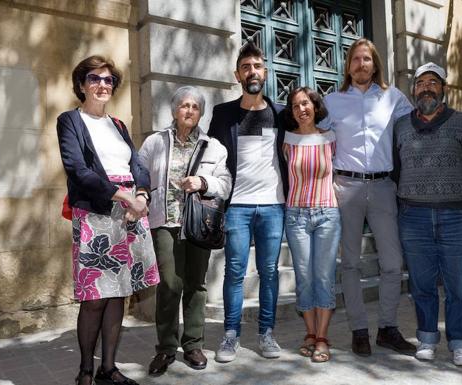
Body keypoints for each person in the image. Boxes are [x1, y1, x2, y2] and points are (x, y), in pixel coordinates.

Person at [56, 55, 159, 385]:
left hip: (130, 215)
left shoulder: (118, 125)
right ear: (81, 84)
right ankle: (86, 370)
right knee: (95, 297)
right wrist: (123, 195)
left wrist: (141, 195)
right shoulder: (70, 121)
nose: (102, 85)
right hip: (96, 214)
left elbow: (138, 166)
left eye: (108, 80)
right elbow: (78, 170)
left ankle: (108, 369)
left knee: (118, 294)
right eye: (94, 78)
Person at [319, 38, 416, 357]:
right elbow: (310, 133)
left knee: (392, 262)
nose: (361, 64)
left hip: (384, 187)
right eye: (356, 59)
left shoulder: (394, 98)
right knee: (350, 263)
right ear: (348, 66)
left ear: (375, 64)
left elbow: (419, 126)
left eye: (367, 59)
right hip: (345, 188)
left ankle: (387, 328)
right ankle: (358, 330)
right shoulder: (332, 101)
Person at [392, 62, 462, 366]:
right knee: (421, 285)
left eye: (433, 82)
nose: (426, 87)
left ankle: (460, 342)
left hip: (457, 218)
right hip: (414, 218)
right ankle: (426, 338)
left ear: (443, 89)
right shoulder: (400, 127)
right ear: (414, 91)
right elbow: (396, 172)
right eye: (420, 83)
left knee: (458, 288)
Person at [138, 86, 232, 375]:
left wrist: (203, 182)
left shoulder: (213, 147)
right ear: (174, 110)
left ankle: (193, 344)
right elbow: (139, 173)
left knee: (196, 284)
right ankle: (166, 348)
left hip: (198, 224)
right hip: (165, 221)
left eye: (195, 107)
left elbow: (225, 184)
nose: (189, 110)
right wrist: (141, 195)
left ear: (200, 113)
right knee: (170, 283)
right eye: (184, 105)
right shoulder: (155, 142)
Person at [208, 43, 288, 362]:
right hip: (237, 205)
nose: (252, 71)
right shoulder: (223, 114)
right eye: (246, 67)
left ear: (265, 72)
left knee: (269, 271)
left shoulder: (282, 113)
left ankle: (266, 333)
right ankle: (231, 335)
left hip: (273, 205)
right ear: (237, 74)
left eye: (257, 65)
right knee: (235, 271)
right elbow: (211, 158)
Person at [282, 87, 340, 363]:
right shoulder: (287, 140)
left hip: (327, 214)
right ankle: (309, 332)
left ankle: (322, 336)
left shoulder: (330, 138)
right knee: (304, 276)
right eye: (295, 106)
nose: (301, 109)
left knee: (324, 276)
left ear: (315, 106)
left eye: (305, 103)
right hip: (296, 216)